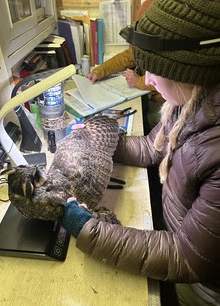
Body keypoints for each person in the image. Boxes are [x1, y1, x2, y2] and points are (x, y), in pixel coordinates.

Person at [59, 0, 220, 305]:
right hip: (178, 232)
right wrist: (99, 139)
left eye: (155, 71)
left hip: (202, 287)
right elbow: (151, 147)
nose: (147, 81)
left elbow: (188, 258)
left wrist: (87, 229)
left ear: (187, 71)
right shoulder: (192, 102)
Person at [85, 0, 165, 133]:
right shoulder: (145, 43)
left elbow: (168, 80)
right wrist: (99, 72)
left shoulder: (171, 51)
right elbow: (125, 58)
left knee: (149, 123)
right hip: (148, 96)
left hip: (163, 103)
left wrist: (138, 81)